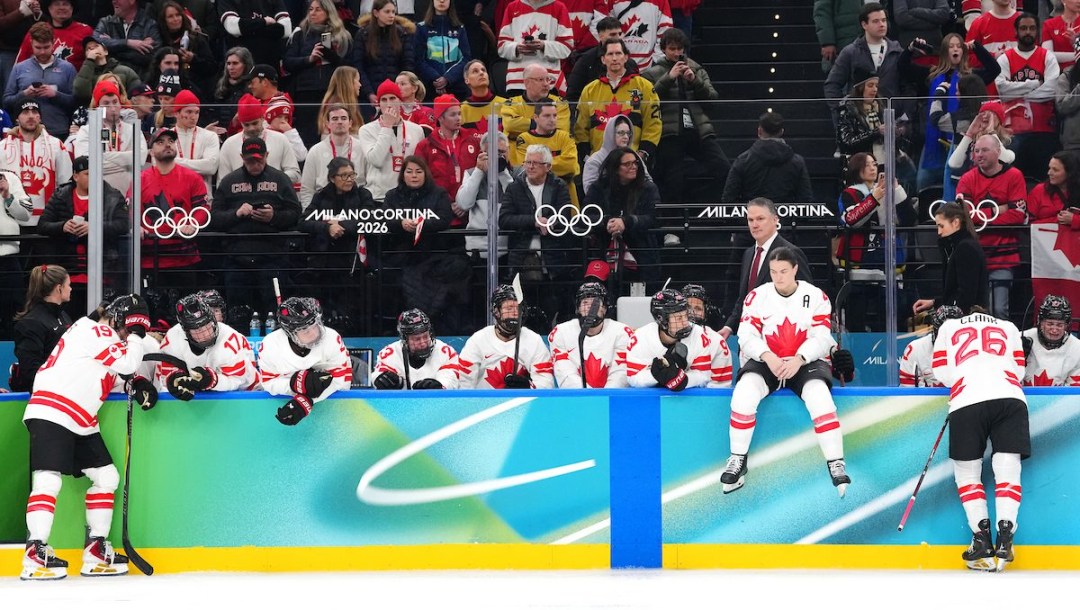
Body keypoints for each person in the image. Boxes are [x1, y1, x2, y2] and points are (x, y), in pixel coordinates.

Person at [19, 293, 158, 580]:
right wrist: (136, 337)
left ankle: (95, 549)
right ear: (117, 320)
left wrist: (138, 384)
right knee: (47, 479)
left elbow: (117, 375)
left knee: (107, 477)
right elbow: (127, 364)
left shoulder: (104, 340)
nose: (129, 334)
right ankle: (35, 552)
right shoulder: (94, 330)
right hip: (53, 410)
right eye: (129, 327)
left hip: (81, 420)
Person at [722, 247, 852, 497]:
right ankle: (737, 458)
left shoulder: (816, 296)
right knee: (744, 393)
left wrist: (800, 358)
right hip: (766, 360)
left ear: (795, 269)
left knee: (820, 397)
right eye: (773, 272)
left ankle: (836, 462)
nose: (778, 277)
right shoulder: (756, 296)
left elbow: (822, 337)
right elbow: (746, 336)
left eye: (783, 271)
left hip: (804, 361)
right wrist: (767, 356)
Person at [931, 306, 1029, 572]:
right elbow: (1019, 371)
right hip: (1010, 397)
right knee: (1008, 469)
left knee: (968, 474)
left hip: (967, 399)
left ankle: (981, 538)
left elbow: (942, 373)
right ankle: (1006, 534)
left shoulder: (949, 326)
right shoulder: (1008, 326)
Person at [212, 136, 303, 314]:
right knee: (238, 312)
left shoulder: (280, 179)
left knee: (274, 311)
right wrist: (236, 214)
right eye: (250, 161)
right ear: (241, 158)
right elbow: (214, 218)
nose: (255, 165)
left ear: (267, 155)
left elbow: (296, 214)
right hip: (237, 258)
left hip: (272, 258)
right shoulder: (229, 181)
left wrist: (274, 217)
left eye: (259, 160)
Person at [641, 27, 729, 206]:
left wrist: (695, 81)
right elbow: (647, 101)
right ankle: (673, 219)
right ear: (664, 49)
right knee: (673, 180)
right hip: (669, 133)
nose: (676, 53)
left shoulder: (696, 68)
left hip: (698, 130)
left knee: (723, 168)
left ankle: (711, 206)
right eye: (672, 49)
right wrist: (668, 78)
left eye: (679, 49)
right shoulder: (652, 73)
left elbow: (712, 100)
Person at [835, 152, 918, 331]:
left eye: (874, 164)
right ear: (856, 169)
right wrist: (874, 198)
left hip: (889, 261)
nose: (872, 168)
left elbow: (909, 219)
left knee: (892, 314)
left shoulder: (889, 190)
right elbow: (851, 220)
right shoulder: (849, 194)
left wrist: (896, 189)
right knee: (857, 316)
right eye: (867, 165)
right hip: (860, 264)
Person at [37, 156, 128, 312]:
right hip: (67, 271)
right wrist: (63, 226)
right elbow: (43, 225)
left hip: (102, 271)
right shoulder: (60, 195)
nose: (93, 178)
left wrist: (95, 228)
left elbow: (124, 224)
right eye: (88, 174)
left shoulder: (112, 195)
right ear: (75, 176)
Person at [955, 134, 1029, 320]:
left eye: (985, 150)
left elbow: (1017, 216)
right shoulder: (967, 178)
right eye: (976, 150)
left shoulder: (1014, 176)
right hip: (974, 255)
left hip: (1003, 256)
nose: (979, 154)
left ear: (998, 152)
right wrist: (1000, 210)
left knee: (998, 310)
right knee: (972, 311)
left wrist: (980, 216)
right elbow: (963, 216)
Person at [719, 198, 813, 339]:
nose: (755, 225)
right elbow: (745, 297)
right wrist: (729, 327)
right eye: (750, 220)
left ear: (775, 220)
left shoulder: (791, 253)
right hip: (749, 339)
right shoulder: (748, 254)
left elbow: (806, 296)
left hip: (781, 339)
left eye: (760, 219)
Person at [257, 296, 352, 425]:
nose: (313, 333)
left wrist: (307, 400)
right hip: (284, 404)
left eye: (315, 325)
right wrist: (292, 385)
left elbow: (341, 380)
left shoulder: (332, 339)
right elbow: (269, 382)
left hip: (333, 410)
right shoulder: (270, 345)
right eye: (305, 331)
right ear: (291, 333)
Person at [139, 126, 209, 294]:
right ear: (151, 151)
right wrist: (135, 226)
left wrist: (193, 224)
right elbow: (130, 212)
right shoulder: (140, 180)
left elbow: (202, 208)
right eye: (160, 142)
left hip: (184, 257)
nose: (167, 144)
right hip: (150, 258)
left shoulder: (192, 178)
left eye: (171, 141)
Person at [625, 288, 733, 390]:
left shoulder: (699, 335)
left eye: (686, 315)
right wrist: (655, 375)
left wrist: (682, 380)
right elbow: (633, 378)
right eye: (679, 318)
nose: (685, 322)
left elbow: (703, 376)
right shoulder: (640, 339)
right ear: (662, 319)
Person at [574, 38, 661, 165]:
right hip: (599, 162)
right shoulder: (589, 90)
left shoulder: (644, 87)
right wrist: (588, 157)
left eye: (618, 53)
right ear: (603, 59)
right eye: (610, 54)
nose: (614, 58)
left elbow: (653, 123)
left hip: (632, 162)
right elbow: (580, 128)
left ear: (626, 57)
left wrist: (643, 153)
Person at [155, 293, 257, 399]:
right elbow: (165, 377)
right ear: (186, 331)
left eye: (207, 326)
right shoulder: (173, 338)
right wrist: (175, 381)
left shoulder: (230, 340)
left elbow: (238, 381)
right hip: (198, 401)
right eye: (197, 330)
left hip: (246, 395)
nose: (205, 335)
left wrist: (213, 380)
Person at [996, 12, 1061, 181]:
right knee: (1013, 179)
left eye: (1032, 28)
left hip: (1044, 130)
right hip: (1013, 132)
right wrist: (1034, 84)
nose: (1028, 32)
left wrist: (1017, 94)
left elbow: (1051, 90)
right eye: (1023, 28)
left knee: (1044, 180)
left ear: (1037, 31)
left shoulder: (1048, 56)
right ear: (1016, 31)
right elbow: (1002, 91)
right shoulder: (1005, 58)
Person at [583, 146, 660, 287]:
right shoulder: (598, 187)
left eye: (635, 163)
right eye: (627, 164)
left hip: (641, 251)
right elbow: (587, 215)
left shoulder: (648, 188)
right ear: (615, 168)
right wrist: (607, 222)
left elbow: (653, 217)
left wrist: (627, 222)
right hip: (604, 248)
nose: (633, 167)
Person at [284, 0, 357, 147]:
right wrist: (309, 59)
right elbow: (288, 63)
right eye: (311, 9)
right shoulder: (299, 34)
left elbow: (350, 67)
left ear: (328, 12)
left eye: (318, 9)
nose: (313, 13)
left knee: (330, 134)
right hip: (305, 92)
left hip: (332, 92)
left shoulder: (342, 35)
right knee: (306, 136)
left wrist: (331, 56)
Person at [456, 284, 555, 388]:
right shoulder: (478, 341)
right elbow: (463, 384)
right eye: (509, 308)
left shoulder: (534, 341)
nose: (515, 313)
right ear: (496, 311)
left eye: (519, 308)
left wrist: (528, 387)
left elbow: (546, 383)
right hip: (485, 399)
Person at [824, 3, 902, 127]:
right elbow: (832, 85)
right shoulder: (850, 52)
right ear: (864, 24)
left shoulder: (897, 51)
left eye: (883, 20)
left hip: (891, 120)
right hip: (860, 123)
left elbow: (907, 86)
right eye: (875, 21)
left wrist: (905, 114)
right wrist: (843, 112)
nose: (881, 24)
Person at [548, 282, 636, 388]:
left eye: (596, 302)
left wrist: (606, 396)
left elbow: (620, 373)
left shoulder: (622, 332)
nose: (590, 307)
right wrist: (587, 395)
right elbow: (565, 373)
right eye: (585, 302)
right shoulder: (561, 332)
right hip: (578, 397)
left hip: (611, 397)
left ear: (605, 308)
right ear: (578, 308)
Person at [0, 98, 72, 227]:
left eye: (34, 112)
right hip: (12, 220)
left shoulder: (56, 145)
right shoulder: (2, 147)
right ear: (17, 118)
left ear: (40, 117)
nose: (31, 116)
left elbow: (66, 183)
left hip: (48, 221)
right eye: (25, 112)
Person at [913, 201, 990, 315]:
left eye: (941, 226)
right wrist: (934, 303)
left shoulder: (965, 248)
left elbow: (966, 296)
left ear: (956, 222)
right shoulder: (958, 247)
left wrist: (944, 310)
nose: (939, 232)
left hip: (966, 320)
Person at [721, 111, 813, 206]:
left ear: (759, 131)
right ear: (781, 131)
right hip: (786, 214)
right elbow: (805, 199)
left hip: (753, 213)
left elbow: (729, 199)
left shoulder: (743, 160)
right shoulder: (797, 162)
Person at [4, 22, 77, 138]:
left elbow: (75, 102)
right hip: (25, 133)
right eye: (38, 47)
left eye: (46, 47)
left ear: (53, 43)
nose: (42, 52)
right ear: (31, 43)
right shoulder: (19, 68)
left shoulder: (67, 68)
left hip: (58, 131)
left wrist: (55, 94)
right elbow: (6, 102)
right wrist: (25, 94)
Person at [357, 81, 424, 201]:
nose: (388, 104)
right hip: (378, 197)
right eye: (384, 100)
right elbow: (376, 160)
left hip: (409, 197)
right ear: (379, 104)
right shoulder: (366, 130)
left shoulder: (416, 130)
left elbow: (421, 165)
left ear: (400, 101)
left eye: (392, 98)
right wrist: (387, 127)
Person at [9, 264, 72, 392]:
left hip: (66, 390)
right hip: (45, 396)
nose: (71, 289)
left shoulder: (63, 315)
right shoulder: (30, 323)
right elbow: (31, 372)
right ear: (59, 288)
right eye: (68, 285)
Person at [217, 94, 301, 185]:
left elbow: (295, 174)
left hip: (274, 192)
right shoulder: (229, 144)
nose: (251, 128)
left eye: (255, 123)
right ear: (241, 123)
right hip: (241, 193)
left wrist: (271, 179)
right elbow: (222, 183)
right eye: (246, 125)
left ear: (262, 118)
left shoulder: (280, 139)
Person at [72, 80, 138, 194]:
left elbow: (139, 158)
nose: (112, 108)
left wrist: (103, 157)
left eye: (115, 102)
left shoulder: (132, 130)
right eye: (106, 103)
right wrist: (125, 162)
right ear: (98, 107)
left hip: (130, 194)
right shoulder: (86, 131)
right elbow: (88, 165)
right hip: (98, 195)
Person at [496, 0, 573, 96]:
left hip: (548, 82)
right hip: (517, 82)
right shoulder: (512, 8)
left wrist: (544, 46)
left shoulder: (559, 8)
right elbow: (501, 46)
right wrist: (516, 48)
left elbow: (566, 47)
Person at [372, 308, 461, 389]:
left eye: (425, 336)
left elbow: (451, 378)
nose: (423, 343)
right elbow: (377, 375)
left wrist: (439, 385)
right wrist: (382, 380)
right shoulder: (390, 354)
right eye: (417, 339)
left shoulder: (446, 352)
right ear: (405, 340)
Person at [457, 130, 512, 259]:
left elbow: (517, 201)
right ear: (483, 153)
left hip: (508, 249)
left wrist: (503, 173)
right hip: (476, 249)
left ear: (508, 151)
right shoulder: (472, 174)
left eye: (502, 152)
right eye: (494, 153)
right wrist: (479, 171)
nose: (499, 156)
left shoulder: (516, 174)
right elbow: (463, 204)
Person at [416, 93, 479, 202]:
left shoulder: (473, 140)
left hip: (470, 204)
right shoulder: (425, 145)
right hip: (438, 204)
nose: (458, 118)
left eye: (459, 114)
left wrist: (464, 202)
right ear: (440, 117)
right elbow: (420, 179)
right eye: (453, 115)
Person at [511, 101, 578, 203]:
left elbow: (570, 166)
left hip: (567, 192)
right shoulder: (524, 138)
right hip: (535, 194)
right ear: (535, 117)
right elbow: (525, 169)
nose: (552, 120)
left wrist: (538, 166)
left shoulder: (565, 137)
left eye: (555, 116)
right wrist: (559, 166)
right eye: (547, 116)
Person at [301, 104, 366, 208]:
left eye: (343, 118)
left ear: (350, 123)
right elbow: (307, 189)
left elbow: (369, 183)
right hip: (324, 205)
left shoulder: (363, 148)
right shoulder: (315, 151)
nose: (339, 122)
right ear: (327, 124)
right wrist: (309, 214)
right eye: (335, 119)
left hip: (356, 204)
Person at [355, 0, 416, 109]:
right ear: (376, 13)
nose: (391, 15)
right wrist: (369, 93)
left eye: (393, 12)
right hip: (370, 94)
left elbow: (408, 65)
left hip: (397, 94)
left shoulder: (402, 34)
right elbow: (358, 66)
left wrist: (399, 91)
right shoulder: (363, 34)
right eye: (387, 12)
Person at [565, 17, 638, 102]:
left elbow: (638, 92)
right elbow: (573, 96)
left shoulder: (630, 63)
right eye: (613, 34)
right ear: (600, 36)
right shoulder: (585, 61)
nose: (618, 38)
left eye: (620, 34)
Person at [157, 0, 216, 98]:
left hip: (195, 90)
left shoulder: (196, 39)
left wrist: (193, 59)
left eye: (178, 15)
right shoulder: (160, 40)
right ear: (164, 20)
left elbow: (211, 67)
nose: (176, 19)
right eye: (170, 16)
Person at [13, 0, 92, 71]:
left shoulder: (85, 31)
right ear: (49, 8)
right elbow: (19, 65)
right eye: (57, 4)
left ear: (72, 8)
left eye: (65, 4)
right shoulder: (36, 30)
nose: (61, 8)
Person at [414, 0, 471, 98]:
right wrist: (435, 78)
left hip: (456, 88)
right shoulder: (421, 28)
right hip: (429, 88)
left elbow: (466, 58)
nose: (441, 1)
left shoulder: (460, 28)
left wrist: (448, 78)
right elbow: (418, 59)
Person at [171, 89, 220, 202]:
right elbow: (159, 166)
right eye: (189, 112)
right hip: (173, 198)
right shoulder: (165, 137)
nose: (194, 117)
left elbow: (211, 167)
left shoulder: (209, 136)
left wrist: (174, 162)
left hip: (202, 198)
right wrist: (198, 165)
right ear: (176, 113)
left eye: (197, 112)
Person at [501, 62, 571, 141]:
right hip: (517, 148)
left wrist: (520, 132)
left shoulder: (560, 103)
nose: (546, 84)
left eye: (548, 79)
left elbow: (561, 131)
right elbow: (510, 125)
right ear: (527, 83)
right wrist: (544, 126)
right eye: (540, 80)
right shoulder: (511, 104)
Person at [1022, 294, 1080, 385]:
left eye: (1060, 325)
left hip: (1061, 394)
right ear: (1041, 323)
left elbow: (1075, 389)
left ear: (1066, 326)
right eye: (1050, 324)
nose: (1054, 330)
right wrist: (1019, 357)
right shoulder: (1022, 338)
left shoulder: (1077, 348)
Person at [93, 0, 163, 73]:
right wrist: (128, 43)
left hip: (139, 78)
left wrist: (112, 50)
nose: (114, 1)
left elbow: (153, 57)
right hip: (110, 77)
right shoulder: (106, 23)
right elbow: (94, 42)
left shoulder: (149, 25)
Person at [217, 0, 292, 68]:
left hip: (270, 61)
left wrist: (249, 28)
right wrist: (264, 21)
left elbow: (286, 29)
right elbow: (234, 27)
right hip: (241, 62)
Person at [899, 304, 959, 388]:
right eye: (944, 332)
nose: (948, 338)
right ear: (935, 330)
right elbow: (909, 392)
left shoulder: (974, 348)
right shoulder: (915, 349)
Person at [72, 35, 140, 106]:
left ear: (105, 51)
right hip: (95, 111)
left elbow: (137, 95)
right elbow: (80, 94)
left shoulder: (125, 71)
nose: (92, 49)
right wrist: (89, 61)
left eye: (96, 46)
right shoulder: (86, 73)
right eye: (88, 49)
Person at [607, 0, 671, 72]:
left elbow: (665, 31)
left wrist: (656, 59)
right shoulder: (612, 1)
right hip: (619, 66)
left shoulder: (660, 2)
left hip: (649, 68)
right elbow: (607, 30)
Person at [211, 47, 253, 138]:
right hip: (220, 136)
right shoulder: (221, 86)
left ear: (245, 65)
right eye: (228, 63)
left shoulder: (252, 88)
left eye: (235, 63)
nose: (231, 67)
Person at [459, 59, 506, 133]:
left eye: (483, 70)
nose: (481, 73)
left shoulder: (505, 104)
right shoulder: (460, 109)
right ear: (467, 80)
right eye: (475, 71)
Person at [317, 65, 365, 138]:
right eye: (358, 81)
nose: (360, 85)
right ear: (348, 82)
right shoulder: (335, 105)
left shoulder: (350, 103)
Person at [1042, 0, 1080, 71]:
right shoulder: (1049, 24)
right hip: (1057, 71)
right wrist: (1076, 55)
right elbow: (1047, 54)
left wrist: (1076, 42)